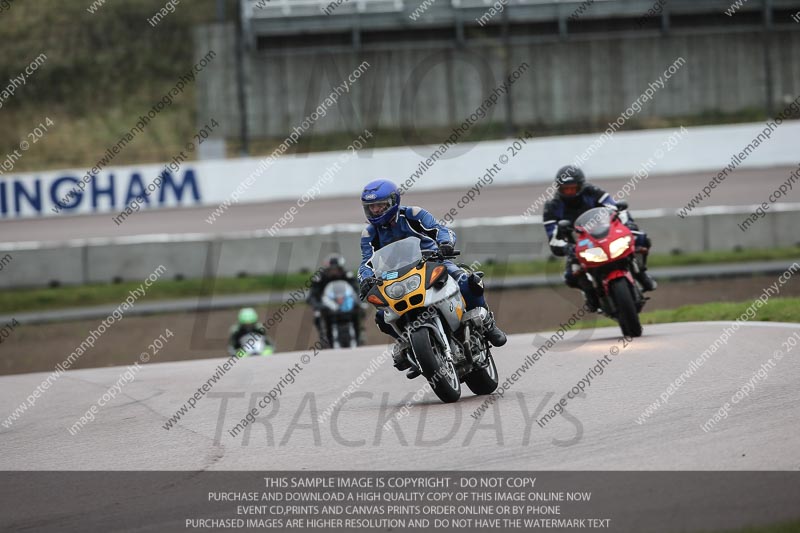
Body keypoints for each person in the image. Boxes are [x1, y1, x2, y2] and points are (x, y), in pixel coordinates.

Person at [357, 179, 506, 376]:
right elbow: (366, 262)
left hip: (432, 262)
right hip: (394, 277)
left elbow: (441, 230)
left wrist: (445, 244)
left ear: (393, 202)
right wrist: (365, 278)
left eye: (380, 205)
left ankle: (488, 323)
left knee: (467, 281)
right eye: (371, 207)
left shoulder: (414, 214)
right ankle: (408, 344)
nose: (376, 211)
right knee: (381, 316)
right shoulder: (369, 233)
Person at [543, 165, 657, 312]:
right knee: (570, 275)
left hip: (607, 234)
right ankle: (591, 295)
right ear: (559, 189)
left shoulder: (593, 192)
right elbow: (552, 237)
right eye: (566, 189)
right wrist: (566, 247)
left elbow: (615, 208)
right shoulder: (552, 207)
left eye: (573, 188)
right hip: (579, 244)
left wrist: (629, 224)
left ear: (581, 186)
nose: (570, 193)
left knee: (641, 239)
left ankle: (641, 273)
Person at [307, 254, 364, 347]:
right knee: (317, 315)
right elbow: (312, 295)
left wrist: (358, 300)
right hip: (327, 306)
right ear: (327, 269)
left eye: (337, 269)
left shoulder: (348, 275)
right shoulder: (319, 278)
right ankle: (323, 337)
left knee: (360, 309)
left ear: (341, 268)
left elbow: (357, 290)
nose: (334, 272)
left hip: (346, 304)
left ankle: (359, 333)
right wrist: (318, 305)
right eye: (332, 269)